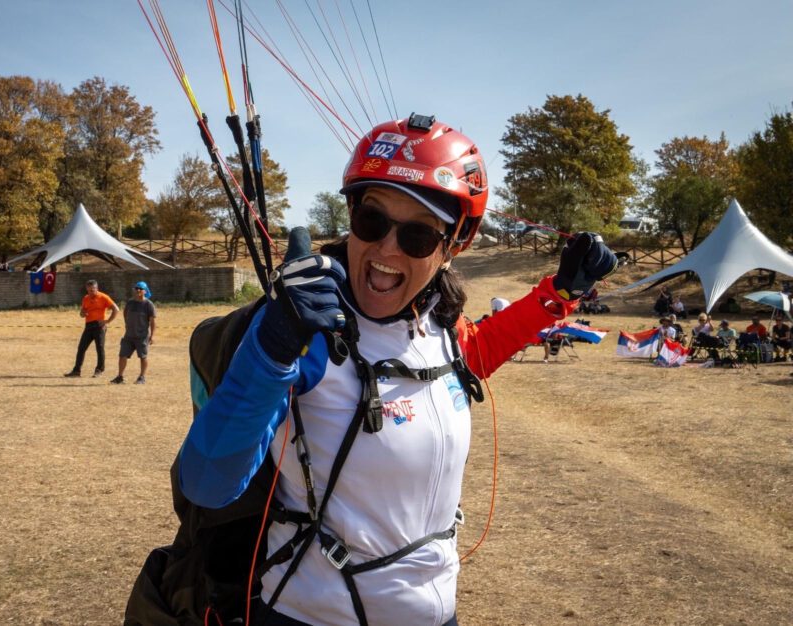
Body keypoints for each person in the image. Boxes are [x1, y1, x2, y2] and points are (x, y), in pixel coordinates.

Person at [175, 117, 618, 625]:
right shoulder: (307, 335)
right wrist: (272, 347)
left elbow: (484, 348)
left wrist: (559, 293)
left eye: (417, 236)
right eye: (371, 221)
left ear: (453, 247)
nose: (386, 249)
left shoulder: (438, 331)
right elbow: (207, 483)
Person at [64, 279, 119, 378]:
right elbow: (82, 312)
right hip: (88, 326)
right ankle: (76, 371)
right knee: (81, 348)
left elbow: (116, 309)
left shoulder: (104, 297)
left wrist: (108, 321)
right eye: (89, 290)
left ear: (96, 288)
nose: (90, 293)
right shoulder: (85, 298)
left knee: (100, 348)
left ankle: (99, 370)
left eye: (92, 290)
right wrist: (82, 313)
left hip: (99, 326)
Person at [111, 281, 157, 385]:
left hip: (142, 336)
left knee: (143, 356)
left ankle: (142, 377)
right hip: (129, 335)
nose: (137, 290)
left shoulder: (148, 304)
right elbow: (125, 313)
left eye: (140, 289)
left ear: (145, 291)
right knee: (122, 355)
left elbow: (153, 322)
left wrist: (152, 336)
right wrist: (127, 324)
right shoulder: (130, 302)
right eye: (136, 288)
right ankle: (120, 377)